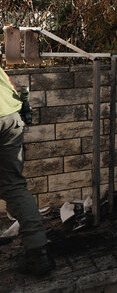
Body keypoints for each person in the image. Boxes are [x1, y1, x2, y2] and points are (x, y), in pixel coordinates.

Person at [0, 66, 54, 275]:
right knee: (14, 186)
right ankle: (39, 254)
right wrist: (25, 105)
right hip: (11, 117)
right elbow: (10, 81)